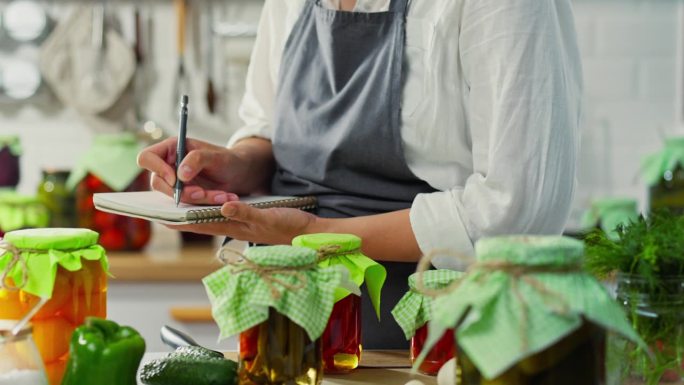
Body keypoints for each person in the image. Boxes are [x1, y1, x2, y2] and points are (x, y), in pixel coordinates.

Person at [138, 0, 581, 348]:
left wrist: (318, 234)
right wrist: (235, 165)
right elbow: (267, 127)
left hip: (435, 338)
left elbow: (515, 212)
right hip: (284, 320)